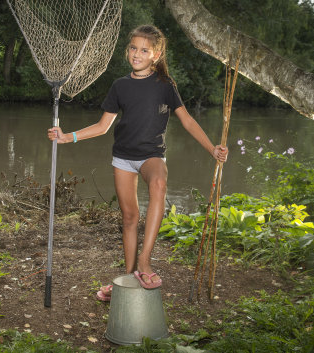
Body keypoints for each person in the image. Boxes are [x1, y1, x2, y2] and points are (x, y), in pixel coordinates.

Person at [47, 25, 228, 301]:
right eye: (133, 48)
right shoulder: (120, 85)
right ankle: (126, 280)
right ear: (127, 50)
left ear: (155, 55)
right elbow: (102, 126)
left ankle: (145, 262)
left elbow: (188, 121)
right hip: (122, 158)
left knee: (158, 182)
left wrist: (211, 148)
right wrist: (67, 137)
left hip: (151, 155)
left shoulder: (165, 86)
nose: (137, 54)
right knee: (130, 217)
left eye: (144, 50)